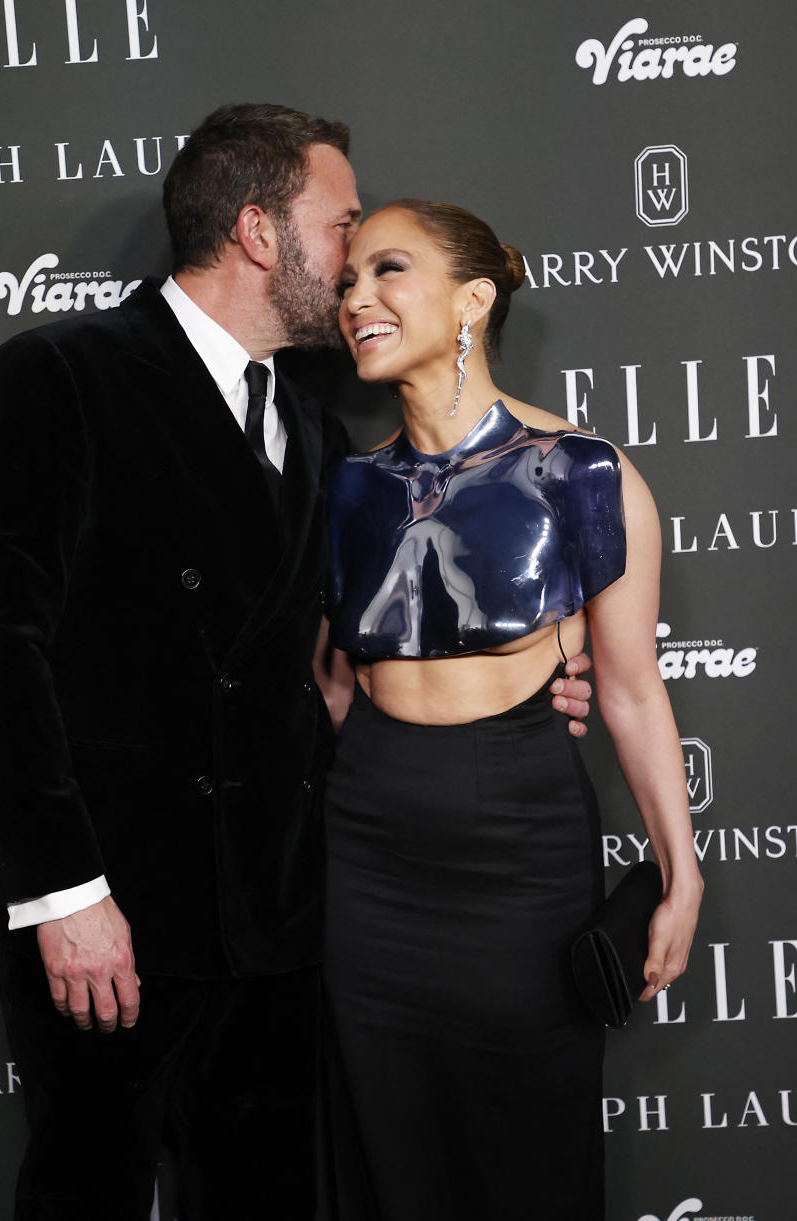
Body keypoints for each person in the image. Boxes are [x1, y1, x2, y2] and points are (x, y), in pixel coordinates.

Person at [0, 103, 595, 1221]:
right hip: (117, 915)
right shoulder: (59, 377)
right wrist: (62, 894)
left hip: (280, 923)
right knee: (86, 1193)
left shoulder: (309, 414)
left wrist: (521, 694)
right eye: (341, 226)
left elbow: (336, 659)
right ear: (257, 231)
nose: (357, 257)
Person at [322, 200, 704, 1221]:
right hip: (370, 859)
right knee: (389, 1156)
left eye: (388, 272)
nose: (357, 298)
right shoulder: (347, 489)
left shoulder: (581, 472)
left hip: (519, 849)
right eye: (349, 280)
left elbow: (628, 688)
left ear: (474, 301)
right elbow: (330, 678)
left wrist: (682, 868)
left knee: (528, 1151)